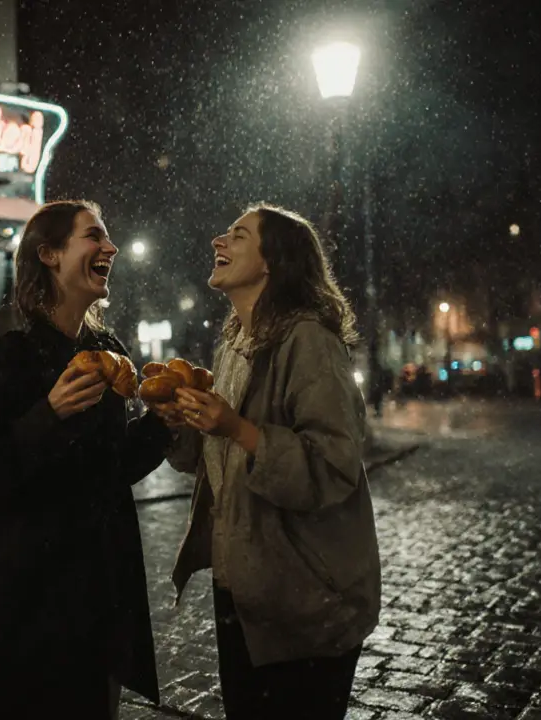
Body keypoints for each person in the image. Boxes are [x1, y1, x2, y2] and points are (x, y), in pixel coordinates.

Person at [161, 203, 381, 719]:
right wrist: (184, 421)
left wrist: (236, 426)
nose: (219, 240)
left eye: (238, 235)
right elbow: (219, 462)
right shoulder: (235, 343)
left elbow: (332, 466)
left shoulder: (309, 342)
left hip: (308, 598)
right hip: (244, 591)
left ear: (272, 263)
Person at [0, 201, 170, 719]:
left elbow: (113, 469)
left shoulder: (110, 353)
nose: (110, 248)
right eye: (93, 236)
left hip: (99, 594)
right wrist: (47, 414)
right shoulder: (2, 361)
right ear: (49, 254)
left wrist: (163, 423)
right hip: (30, 602)